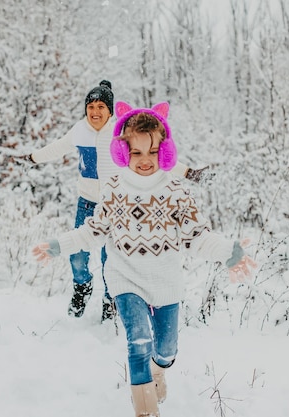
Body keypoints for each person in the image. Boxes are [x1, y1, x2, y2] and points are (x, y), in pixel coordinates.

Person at [31, 101, 256, 417]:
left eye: (152, 152)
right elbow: (93, 231)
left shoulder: (175, 190)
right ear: (122, 153)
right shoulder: (113, 189)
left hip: (165, 282)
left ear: (165, 152)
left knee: (166, 350)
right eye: (136, 153)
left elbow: (196, 236)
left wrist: (228, 252)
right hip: (125, 278)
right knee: (137, 341)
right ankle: (145, 411)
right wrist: (59, 245)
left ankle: (159, 370)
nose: (145, 160)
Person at [14, 81, 214, 323]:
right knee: (77, 253)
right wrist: (31, 159)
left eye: (101, 107)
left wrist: (190, 173)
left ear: (110, 111)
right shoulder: (79, 131)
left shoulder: (120, 133)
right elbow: (55, 149)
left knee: (112, 258)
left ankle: (111, 300)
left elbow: (155, 155)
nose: (95, 112)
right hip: (87, 203)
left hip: (116, 205)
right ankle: (82, 286)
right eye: (91, 106)